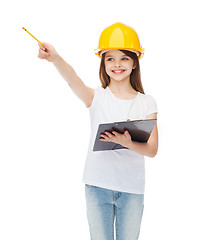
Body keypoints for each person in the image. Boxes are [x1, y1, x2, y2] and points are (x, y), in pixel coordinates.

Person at [38, 22, 158, 240]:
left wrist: (127, 142)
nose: (116, 64)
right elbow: (72, 78)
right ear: (103, 63)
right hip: (97, 186)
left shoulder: (147, 103)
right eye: (110, 58)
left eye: (123, 58)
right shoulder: (96, 98)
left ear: (134, 62)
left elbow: (152, 150)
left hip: (132, 190)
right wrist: (55, 58)